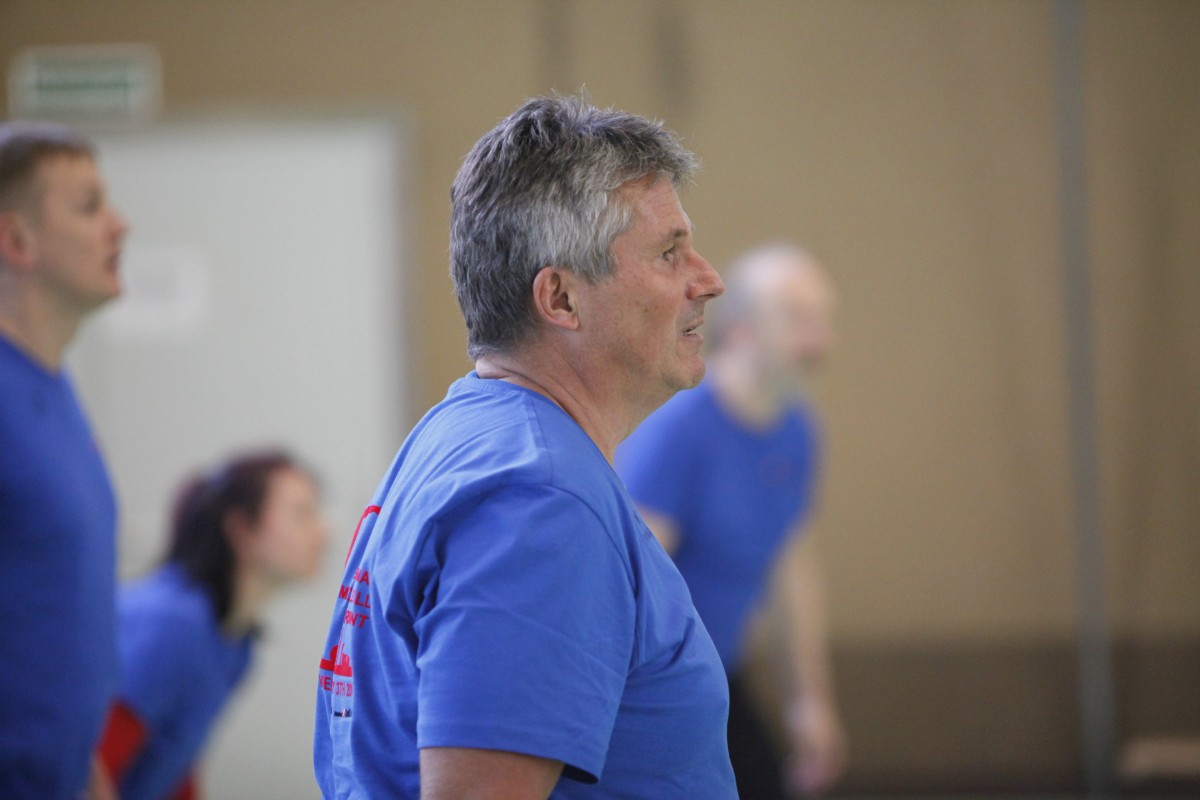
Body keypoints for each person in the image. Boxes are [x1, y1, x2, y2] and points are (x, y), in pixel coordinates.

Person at [313, 93, 734, 799]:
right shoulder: (540, 499)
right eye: (669, 253)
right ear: (561, 299)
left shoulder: (466, 433)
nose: (709, 279)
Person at [617, 243, 847, 798]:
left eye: (824, 319)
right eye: (797, 319)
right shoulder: (680, 430)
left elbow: (788, 567)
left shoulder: (797, 431)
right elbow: (628, 582)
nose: (818, 341)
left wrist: (809, 702)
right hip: (648, 687)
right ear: (740, 330)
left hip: (720, 671)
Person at [0, 121, 128, 800]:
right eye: (89, 207)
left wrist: (84, 765)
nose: (119, 225)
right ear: (16, 240)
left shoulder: (52, 387)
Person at [95, 449, 329, 800]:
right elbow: (92, 766)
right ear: (241, 530)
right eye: (302, 513)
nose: (323, 532)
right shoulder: (174, 625)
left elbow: (172, 761)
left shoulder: (234, 643)